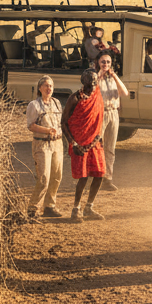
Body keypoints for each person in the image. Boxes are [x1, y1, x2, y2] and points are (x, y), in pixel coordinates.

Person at [61, 69, 106, 222]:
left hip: (95, 141)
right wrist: (72, 143)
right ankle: (76, 209)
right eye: (90, 84)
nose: (93, 87)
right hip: (79, 143)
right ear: (84, 83)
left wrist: (99, 136)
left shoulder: (97, 94)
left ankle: (89, 207)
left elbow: (99, 116)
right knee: (83, 177)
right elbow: (64, 122)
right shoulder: (75, 98)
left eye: (95, 83)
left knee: (99, 174)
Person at [26, 75, 64, 219]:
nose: (49, 88)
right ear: (40, 88)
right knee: (44, 178)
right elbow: (31, 125)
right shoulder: (34, 105)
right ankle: (33, 208)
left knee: (57, 176)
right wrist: (47, 130)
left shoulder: (56, 103)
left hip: (57, 143)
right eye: (46, 85)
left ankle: (49, 206)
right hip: (42, 144)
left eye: (51, 86)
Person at [95, 51, 129, 192]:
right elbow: (90, 90)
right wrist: (99, 76)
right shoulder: (96, 77)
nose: (106, 65)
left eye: (108, 62)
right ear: (98, 63)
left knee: (110, 148)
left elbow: (124, 93)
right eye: (103, 62)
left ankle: (107, 179)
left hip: (113, 113)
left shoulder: (113, 78)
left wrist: (114, 75)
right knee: (96, 146)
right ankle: (96, 176)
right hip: (100, 114)